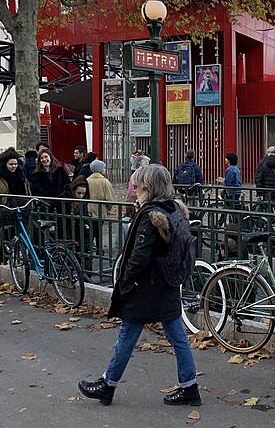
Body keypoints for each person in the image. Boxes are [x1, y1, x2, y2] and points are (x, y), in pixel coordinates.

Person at [78, 164, 201, 407]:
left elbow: (139, 256)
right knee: (177, 337)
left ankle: (108, 384)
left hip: (145, 287)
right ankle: (189, 387)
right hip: (167, 282)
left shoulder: (150, 216)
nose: (134, 188)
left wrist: (125, 283)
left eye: (137, 184)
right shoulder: (174, 208)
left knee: (127, 335)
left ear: (147, 187)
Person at [87, 159, 118, 262]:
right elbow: (110, 199)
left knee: (91, 230)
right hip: (100, 210)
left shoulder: (87, 180)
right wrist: (108, 208)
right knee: (98, 230)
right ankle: (99, 249)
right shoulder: (105, 181)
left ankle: (89, 249)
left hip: (89, 210)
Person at [61, 176, 93, 272]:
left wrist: (86, 223)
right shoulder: (65, 197)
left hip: (81, 229)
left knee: (85, 253)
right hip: (69, 229)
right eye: (78, 193)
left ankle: (86, 276)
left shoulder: (83, 201)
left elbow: (85, 214)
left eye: (83, 193)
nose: (81, 196)